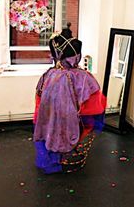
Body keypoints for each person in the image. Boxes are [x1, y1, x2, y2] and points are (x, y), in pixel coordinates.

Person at [33, 24, 106, 174]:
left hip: (52, 113)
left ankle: (57, 152)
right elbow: (95, 107)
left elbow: (39, 102)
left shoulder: (47, 76)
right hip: (73, 118)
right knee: (81, 121)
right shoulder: (84, 79)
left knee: (52, 120)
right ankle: (66, 153)